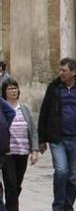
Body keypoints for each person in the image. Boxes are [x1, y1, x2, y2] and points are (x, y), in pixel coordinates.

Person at [38, 57, 76, 211]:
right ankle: (58, 206)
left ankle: (68, 206)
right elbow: (44, 113)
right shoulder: (53, 88)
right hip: (57, 138)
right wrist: (41, 139)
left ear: (73, 72)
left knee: (72, 176)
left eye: (64, 70)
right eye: (60, 70)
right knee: (61, 171)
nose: (61, 73)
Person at [1, 78, 38, 211]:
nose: (14, 91)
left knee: (17, 184)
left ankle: (8, 206)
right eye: (10, 88)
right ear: (4, 91)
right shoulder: (2, 109)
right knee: (10, 183)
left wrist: (34, 150)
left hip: (22, 152)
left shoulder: (25, 108)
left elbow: (33, 130)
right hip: (7, 153)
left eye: (15, 88)